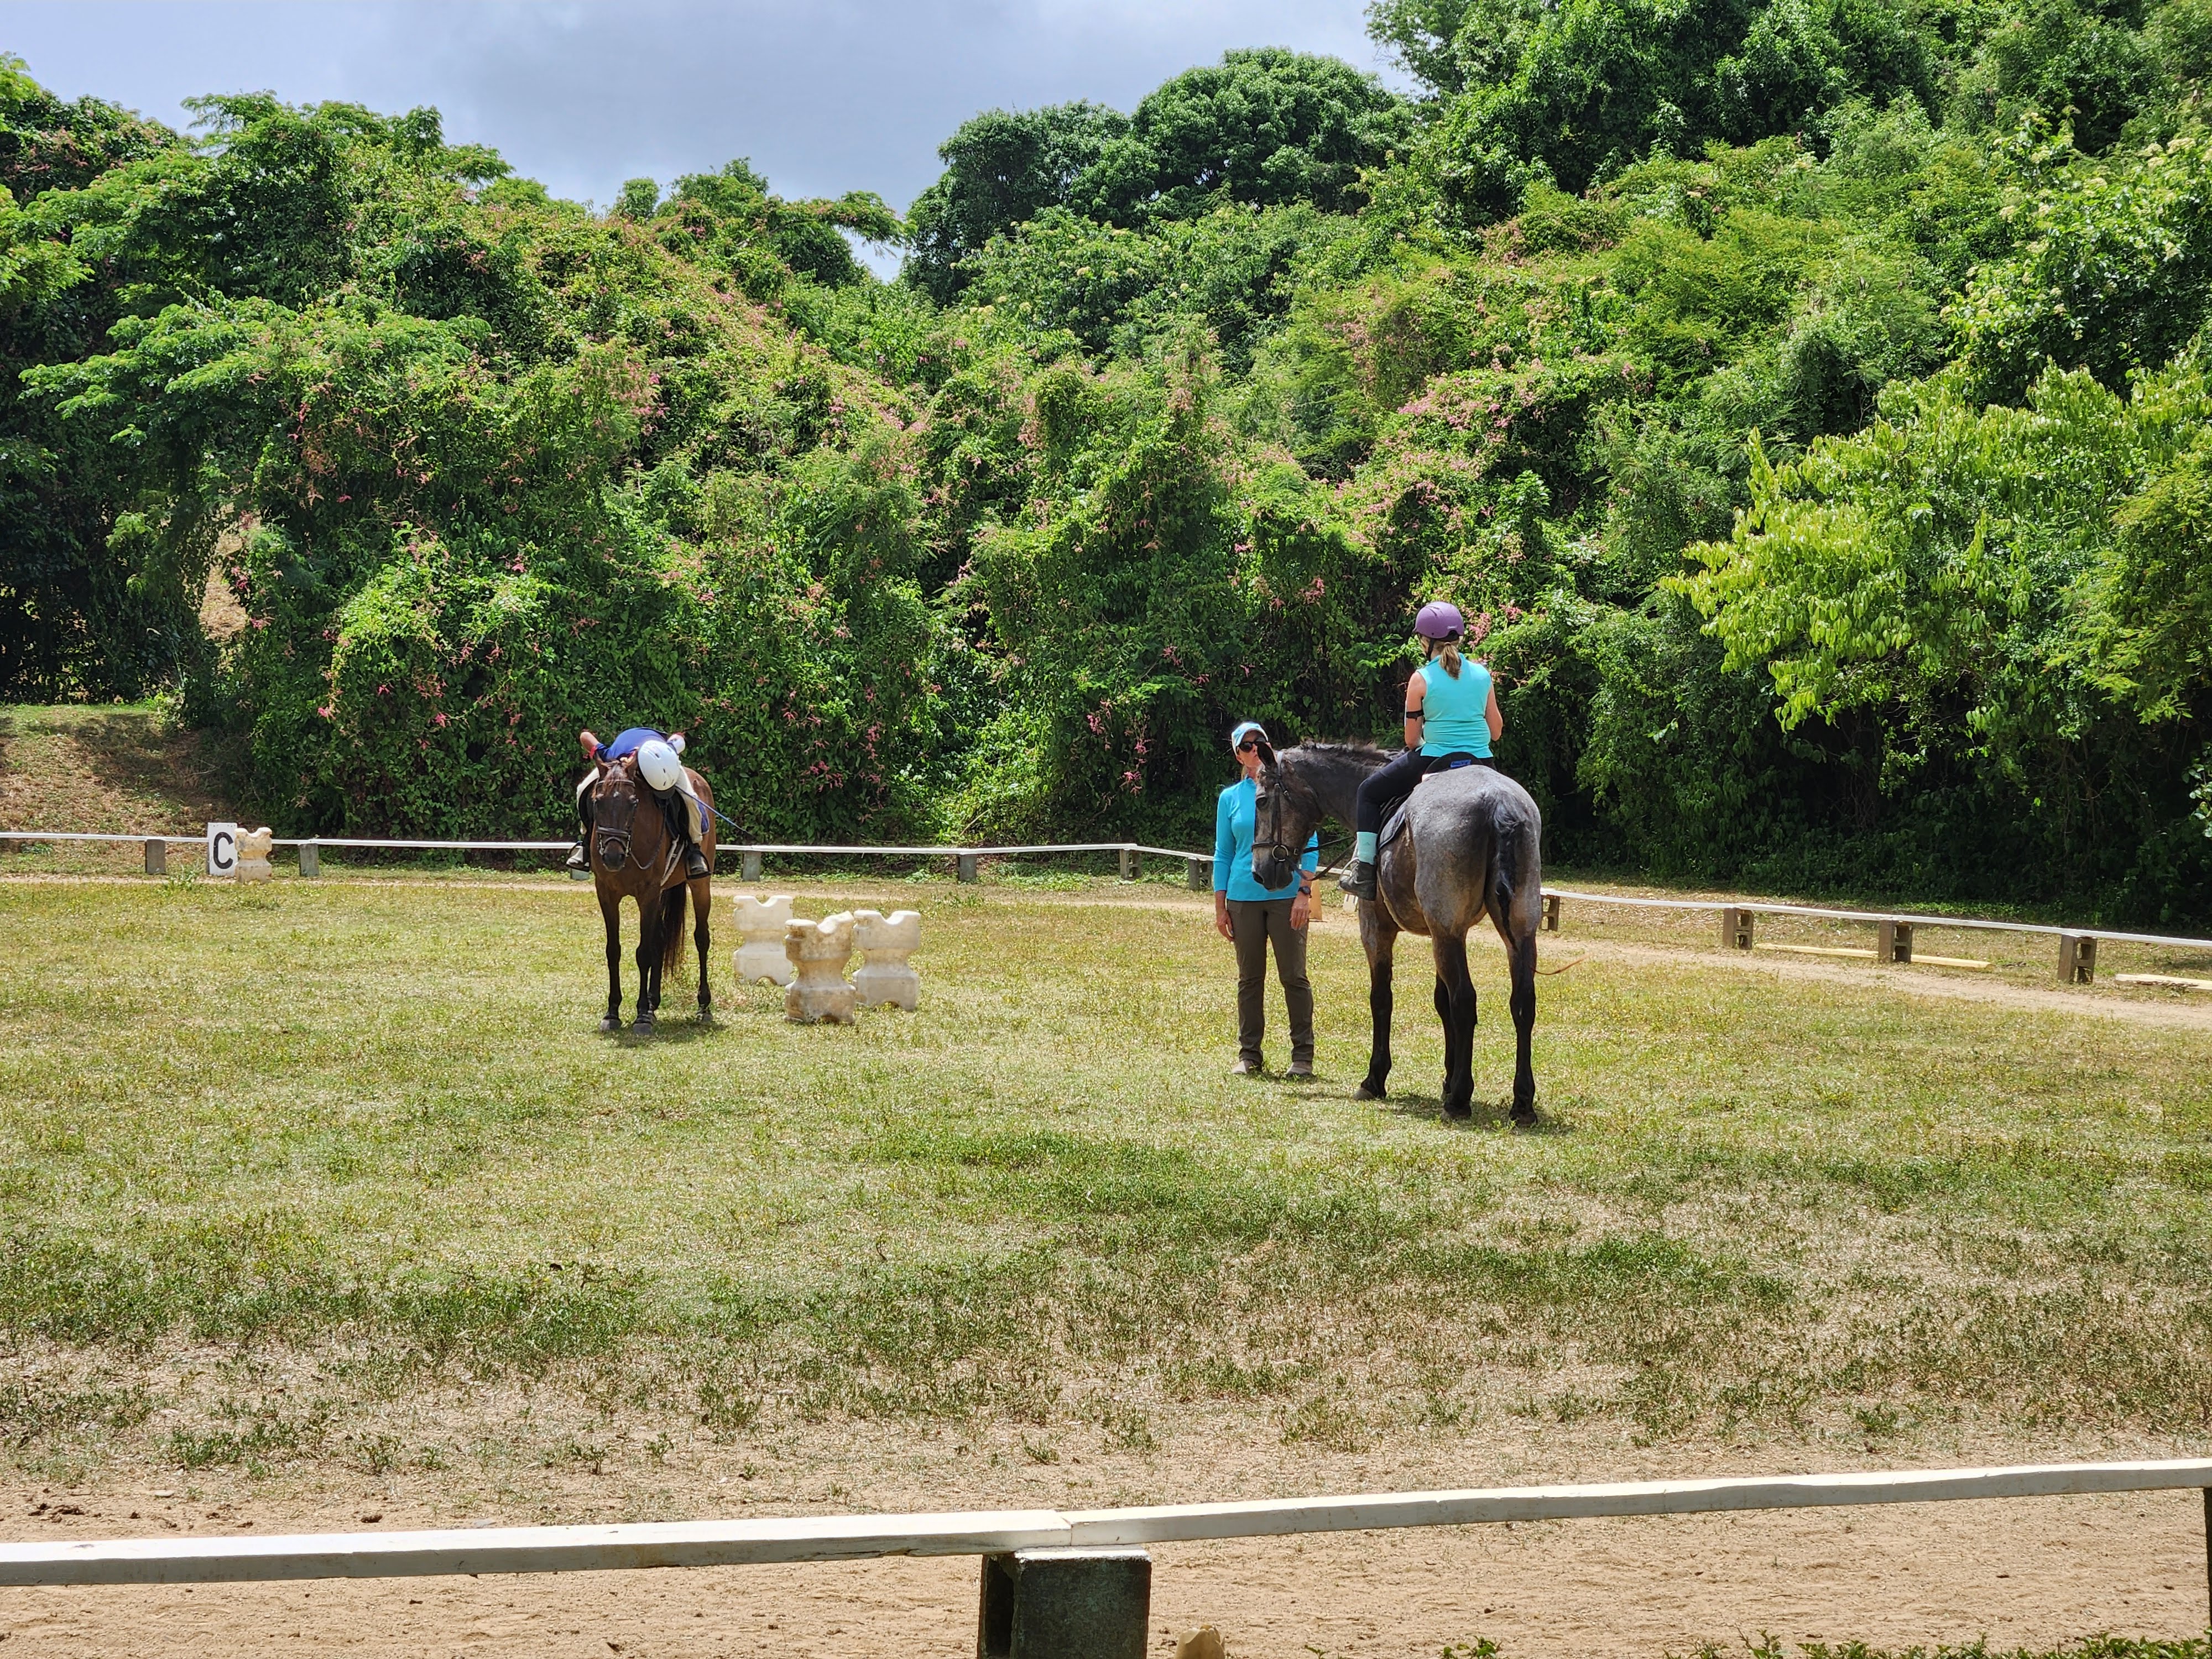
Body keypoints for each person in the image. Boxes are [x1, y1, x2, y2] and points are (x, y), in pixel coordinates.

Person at [1337, 601, 1503, 901]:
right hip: (1482, 761)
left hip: (1434, 759)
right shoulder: (1482, 675)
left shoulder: (1421, 678)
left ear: (1426, 642)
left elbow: (1412, 740)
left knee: (1368, 792)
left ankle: (1365, 871)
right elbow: (1496, 731)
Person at [1213, 719, 1319, 1077]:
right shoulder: (1230, 798)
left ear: (1270, 747)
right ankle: (1249, 1055)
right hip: (1243, 898)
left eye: (1260, 743)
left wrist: (1304, 892)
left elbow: (1311, 843)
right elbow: (1223, 853)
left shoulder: (1290, 789)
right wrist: (1220, 907)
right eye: (1246, 746)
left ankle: (1302, 1057)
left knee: (1294, 976)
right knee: (1249, 979)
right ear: (1238, 755)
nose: (1255, 750)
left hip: (1286, 895)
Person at [567, 726, 709, 879]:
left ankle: (694, 848)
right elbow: (585, 736)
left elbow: (679, 738)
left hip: (665, 762)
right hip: (617, 763)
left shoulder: (668, 750)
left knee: (690, 798)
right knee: (582, 789)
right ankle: (585, 842)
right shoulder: (611, 754)